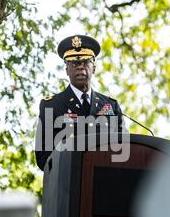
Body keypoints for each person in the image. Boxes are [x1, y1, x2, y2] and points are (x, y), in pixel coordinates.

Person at [34, 35, 124, 170]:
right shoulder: (52, 106)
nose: (80, 67)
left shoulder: (110, 105)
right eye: (74, 63)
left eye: (86, 62)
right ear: (66, 70)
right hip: (68, 183)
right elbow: (43, 157)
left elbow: (122, 149)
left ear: (94, 68)